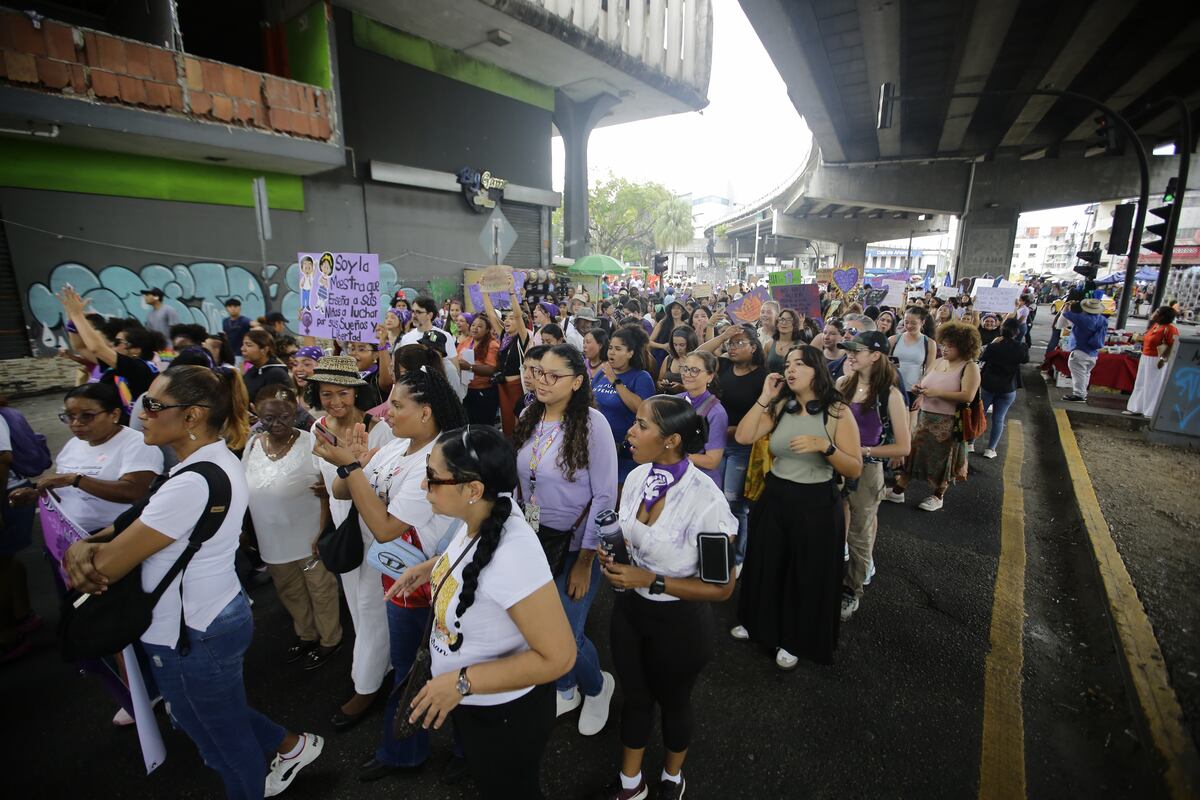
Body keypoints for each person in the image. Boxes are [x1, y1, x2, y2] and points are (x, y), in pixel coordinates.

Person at [62, 365, 322, 798]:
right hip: (205, 615)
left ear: (192, 416)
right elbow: (137, 526)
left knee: (221, 741)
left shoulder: (192, 482)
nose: (140, 413)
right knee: (212, 713)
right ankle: (290, 745)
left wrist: (82, 550)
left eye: (152, 404)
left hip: (193, 629)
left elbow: (107, 566)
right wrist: (90, 544)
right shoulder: (210, 462)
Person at [388, 426, 575, 799]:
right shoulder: (483, 516)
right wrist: (433, 567)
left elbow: (561, 656)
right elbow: (475, 556)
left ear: (472, 490)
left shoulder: (514, 554)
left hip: (503, 715)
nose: (424, 487)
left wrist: (460, 682)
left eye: (432, 479)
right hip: (477, 704)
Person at [314, 367, 467, 781]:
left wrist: (351, 469)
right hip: (400, 576)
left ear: (427, 412)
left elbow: (384, 527)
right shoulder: (396, 447)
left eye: (397, 405)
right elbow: (343, 491)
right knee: (409, 666)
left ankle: (468, 753)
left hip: (433, 581)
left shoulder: (436, 459)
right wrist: (350, 464)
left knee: (453, 669)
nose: (386, 411)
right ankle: (406, 750)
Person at [598, 395, 737, 800]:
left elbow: (722, 587)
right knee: (635, 697)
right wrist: (615, 555)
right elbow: (629, 534)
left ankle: (673, 778)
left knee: (674, 702)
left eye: (641, 425)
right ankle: (630, 784)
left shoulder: (706, 502)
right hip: (629, 614)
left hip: (678, 625)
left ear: (672, 440)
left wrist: (651, 579)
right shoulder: (640, 477)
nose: (630, 431)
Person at [732, 345, 862, 668]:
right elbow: (745, 437)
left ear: (817, 370)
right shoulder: (782, 407)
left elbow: (854, 468)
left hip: (815, 503)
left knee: (803, 573)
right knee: (766, 564)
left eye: (799, 364)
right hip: (775, 496)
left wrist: (826, 447)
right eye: (787, 364)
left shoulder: (836, 411)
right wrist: (764, 396)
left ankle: (794, 638)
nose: (790, 370)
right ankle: (757, 624)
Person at [513, 344, 618, 734]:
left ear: (576, 382)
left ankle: (597, 685)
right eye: (538, 372)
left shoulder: (593, 425)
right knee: (541, 625)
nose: (541, 381)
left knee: (566, 633)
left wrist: (585, 561)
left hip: (576, 543)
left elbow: (605, 496)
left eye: (553, 376)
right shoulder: (529, 415)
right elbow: (520, 480)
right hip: (533, 538)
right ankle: (566, 684)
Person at [306, 355, 391, 730]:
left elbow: (385, 487)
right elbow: (328, 490)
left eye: (343, 393)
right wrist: (322, 530)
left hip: (375, 527)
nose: (336, 402)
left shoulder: (380, 429)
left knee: (372, 606)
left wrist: (353, 465)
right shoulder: (317, 428)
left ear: (356, 391)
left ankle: (367, 686)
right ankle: (378, 664)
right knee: (357, 606)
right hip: (344, 530)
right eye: (326, 394)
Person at [244, 383, 342, 659]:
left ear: (295, 411)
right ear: (256, 413)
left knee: (321, 589)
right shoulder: (252, 445)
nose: (276, 424)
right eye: (268, 418)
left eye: (284, 417)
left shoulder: (311, 442)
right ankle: (307, 634)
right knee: (289, 591)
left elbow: (328, 490)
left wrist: (322, 531)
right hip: (270, 537)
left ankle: (330, 638)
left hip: (309, 534)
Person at [834, 333, 910, 620]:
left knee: (860, 534)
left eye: (857, 351)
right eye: (849, 350)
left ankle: (852, 589)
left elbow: (903, 446)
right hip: (836, 465)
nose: (850, 355)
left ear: (876, 355)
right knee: (837, 527)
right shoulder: (842, 384)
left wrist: (863, 450)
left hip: (866, 471)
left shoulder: (889, 395)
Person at [885, 321, 981, 511]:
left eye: (950, 346)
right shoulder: (938, 362)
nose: (945, 349)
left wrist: (936, 393)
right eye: (944, 344)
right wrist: (919, 390)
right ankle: (898, 491)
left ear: (964, 347)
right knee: (914, 455)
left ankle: (938, 495)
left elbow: (967, 395)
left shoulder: (969, 367)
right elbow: (925, 382)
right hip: (925, 418)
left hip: (949, 423)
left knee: (943, 459)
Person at [699, 323, 766, 566]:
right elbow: (699, 354)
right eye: (731, 343)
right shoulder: (724, 365)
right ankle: (716, 550)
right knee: (714, 497)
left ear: (754, 347)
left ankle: (737, 557)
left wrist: (737, 430)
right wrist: (722, 337)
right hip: (716, 443)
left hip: (741, 446)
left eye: (740, 343)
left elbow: (764, 414)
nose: (733, 347)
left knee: (735, 502)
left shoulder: (762, 375)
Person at [0, 397, 41, 662]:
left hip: (8, 495)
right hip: (10, 495)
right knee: (6, 561)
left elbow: (3, 459)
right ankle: (23, 616)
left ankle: (8, 633)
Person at [593, 326, 657, 485]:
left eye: (618, 349)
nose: (611, 352)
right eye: (610, 348)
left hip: (624, 451)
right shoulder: (602, 373)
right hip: (596, 447)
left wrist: (615, 381)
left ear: (630, 353)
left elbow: (641, 409)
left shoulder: (641, 377)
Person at [481, 277, 530, 435]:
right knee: (506, 423)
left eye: (511, 318)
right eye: (505, 318)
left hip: (516, 386)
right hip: (503, 386)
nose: (507, 320)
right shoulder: (504, 336)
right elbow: (490, 313)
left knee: (518, 423)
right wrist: (485, 292)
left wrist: (512, 293)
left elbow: (517, 315)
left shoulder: (523, 337)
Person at [975, 319, 1028, 459]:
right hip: (1008, 387)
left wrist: (993, 344)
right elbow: (1025, 360)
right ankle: (990, 449)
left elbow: (982, 358)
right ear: (1017, 332)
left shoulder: (994, 347)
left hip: (988, 385)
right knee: (999, 418)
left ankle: (970, 443)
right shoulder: (1022, 347)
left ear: (1001, 330)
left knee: (980, 414)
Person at [675, 351, 727, 487]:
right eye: (685, 369)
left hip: (701, 482)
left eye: (694, 370)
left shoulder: (716, 412)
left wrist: (674, 454)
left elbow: (712, 461)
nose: (687, 374)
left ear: (710, 377)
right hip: (676, 476)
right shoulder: (676, 401)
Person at [1125, 306, 1180, 418]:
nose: (1154, 313)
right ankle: (1136, 407)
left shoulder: (1170, 329)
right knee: (1141, 383)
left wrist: (1163, 359)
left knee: (1153, 385)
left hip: (1157, 359)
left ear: (1162, 316)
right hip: (1146, 357)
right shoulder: (1155, 325)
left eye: (1157, 312)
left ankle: (1149, 411)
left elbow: (1173, 345)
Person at [1060, 297, 1109, 402]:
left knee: (1079, 373)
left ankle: (1079, 395)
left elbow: (1065, 314)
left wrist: (1068, 305)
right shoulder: (1102, 319)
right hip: (1093, 352)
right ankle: (1083, 393)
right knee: (1086, 373)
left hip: (1080, 350)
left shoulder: (1083, 319)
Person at [457, 313, 500, 425]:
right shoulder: (466, 342)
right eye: (473, 325)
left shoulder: (492, 345)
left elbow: (491, 370)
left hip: (483, 392)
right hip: (466, 389)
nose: (475, 328)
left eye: (480, 326)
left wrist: (469, 367)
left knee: (482, 426)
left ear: (487, 330)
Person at [889, 308, 936, 390]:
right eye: (906, 322)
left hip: (914, 389)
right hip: (893, 387)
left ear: (922, 322)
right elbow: (885, 364)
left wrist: (922, 390)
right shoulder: (893, 340)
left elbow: (929, 371)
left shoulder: (929, 343)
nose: (909, 326)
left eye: (913, 323)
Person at [241, 330, 291, 403]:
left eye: (249, 345)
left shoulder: (276, 374)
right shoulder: (252, 370)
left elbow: (280, 404)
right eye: (243, 345)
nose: (242, 349)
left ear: (264, 350)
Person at [657, 325, 698, 395]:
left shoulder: (697, 361)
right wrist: (661, 384)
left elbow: (701, 387)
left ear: (690, 343)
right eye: (675, 345)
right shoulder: (669, 359)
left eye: (682, 345)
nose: (678, 349)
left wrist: (682, 388)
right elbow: (659, 380)